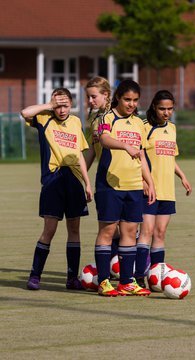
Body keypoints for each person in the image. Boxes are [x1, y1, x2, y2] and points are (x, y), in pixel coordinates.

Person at [21, 88, 93, 290]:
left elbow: (79, 154)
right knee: (49, 230)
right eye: (58, 106)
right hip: (53, 179)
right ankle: (35, 275)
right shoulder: (44, 117)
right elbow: (25, 113)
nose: (61, 110)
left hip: (74, 180)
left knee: (74, 229)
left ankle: (72, 278)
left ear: (71, 105)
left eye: (65, 105)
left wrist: (87, 183)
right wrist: (48, 105)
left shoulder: (76, 122)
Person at [94, 79, 156, 296]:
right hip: (109, 184)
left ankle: (127, 282)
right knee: (108, 231)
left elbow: (142, 157)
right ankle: (103, 282)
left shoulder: (139, 123)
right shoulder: (106, 117)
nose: (131, 104)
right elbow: (103, 139)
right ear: (118, 98)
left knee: (130, 232)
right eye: (127, 99)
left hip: (133, 185)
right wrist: (125, 145)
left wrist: (149, 182)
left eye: (135, 100)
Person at [134, 90, 192, 288]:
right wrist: (143, 181)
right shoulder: (143, 126)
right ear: (154, 107)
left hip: (167, 191)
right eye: (162, 109)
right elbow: (136, 156)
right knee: (146, 232)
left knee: (160, 233)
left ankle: (156, 278)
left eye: (169, 109)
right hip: (149, 190)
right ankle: (138, 278)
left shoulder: (172, 128)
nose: (166, 113)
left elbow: (170, 157)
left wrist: (182, 176)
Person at [84, 76, 120, 259]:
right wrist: (81, 174)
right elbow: (91, 149)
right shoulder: (94, 118)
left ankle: (137, 268)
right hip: (103, 177)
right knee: (110, 227)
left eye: (94, 96)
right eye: (88, 97)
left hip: (122, 177)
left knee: (127, 227)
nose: (90, 101)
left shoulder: (117, 115)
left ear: (106, 95)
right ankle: (114, 267)